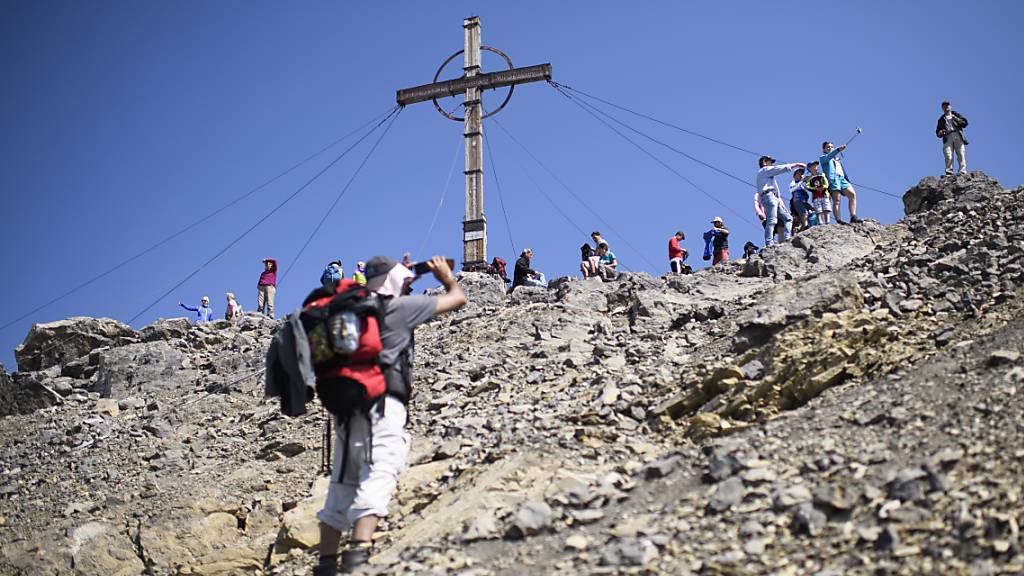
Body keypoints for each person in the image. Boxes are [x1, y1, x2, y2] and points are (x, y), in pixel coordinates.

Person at [315, 255, 467, 575]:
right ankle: (359, 556)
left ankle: (326, 564)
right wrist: (446, 277)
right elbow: (458, 299)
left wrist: (406, 274)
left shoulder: (348, 311)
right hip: (383, 405)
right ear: (391, 280)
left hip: (344, 409)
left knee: (342, 482)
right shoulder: (398, 309)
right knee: (381, 469)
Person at [756, 156, 802, 246]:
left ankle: (787, 237)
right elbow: (780, 168)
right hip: (769, 196)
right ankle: (769, 243)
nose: (772, 164)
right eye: (770, 162)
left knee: (788, 218)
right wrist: (795, 165)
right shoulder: (764, 170)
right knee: (772, 220)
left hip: (773, 197)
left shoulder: (766, 174)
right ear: (764, 162)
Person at [819, 142, 860, 223]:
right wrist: (838, 150)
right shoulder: (823, 157)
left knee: (852, 194)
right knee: (837, 200)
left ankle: (853, 216)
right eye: (828, 147)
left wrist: (846, 179)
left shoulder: (837, 160)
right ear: (824, 149)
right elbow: (828, 157)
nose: (830, 148)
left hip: (842, 179)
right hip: (833, 179)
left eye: (832, 147)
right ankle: (838, 219)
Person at [936, 101, 969, 176]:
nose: (946, 107)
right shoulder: (941, 119)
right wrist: (940, 132)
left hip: (957, 134)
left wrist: (956, 118)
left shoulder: (956, 114)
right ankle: (949, 171)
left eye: (947, 105)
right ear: (942, 108)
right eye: (944, 106)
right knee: (948, 154)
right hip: (947, 137)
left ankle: (962, 170)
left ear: (950, 106)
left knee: (961, 153)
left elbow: (965, 123)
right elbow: (937, 132)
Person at [804, 161, 832, 225]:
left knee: (826, 207)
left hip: (824, 194)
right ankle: (820, 221)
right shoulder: (809, 178)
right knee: (818, 209)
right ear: (809, 168)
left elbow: (826, 183)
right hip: (815, 195)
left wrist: (824, 187)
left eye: (816, 165)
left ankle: (827, 221)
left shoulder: (822, 174)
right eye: (813, 166)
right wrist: (815, 189)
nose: (815, 167)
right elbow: (808, 186)